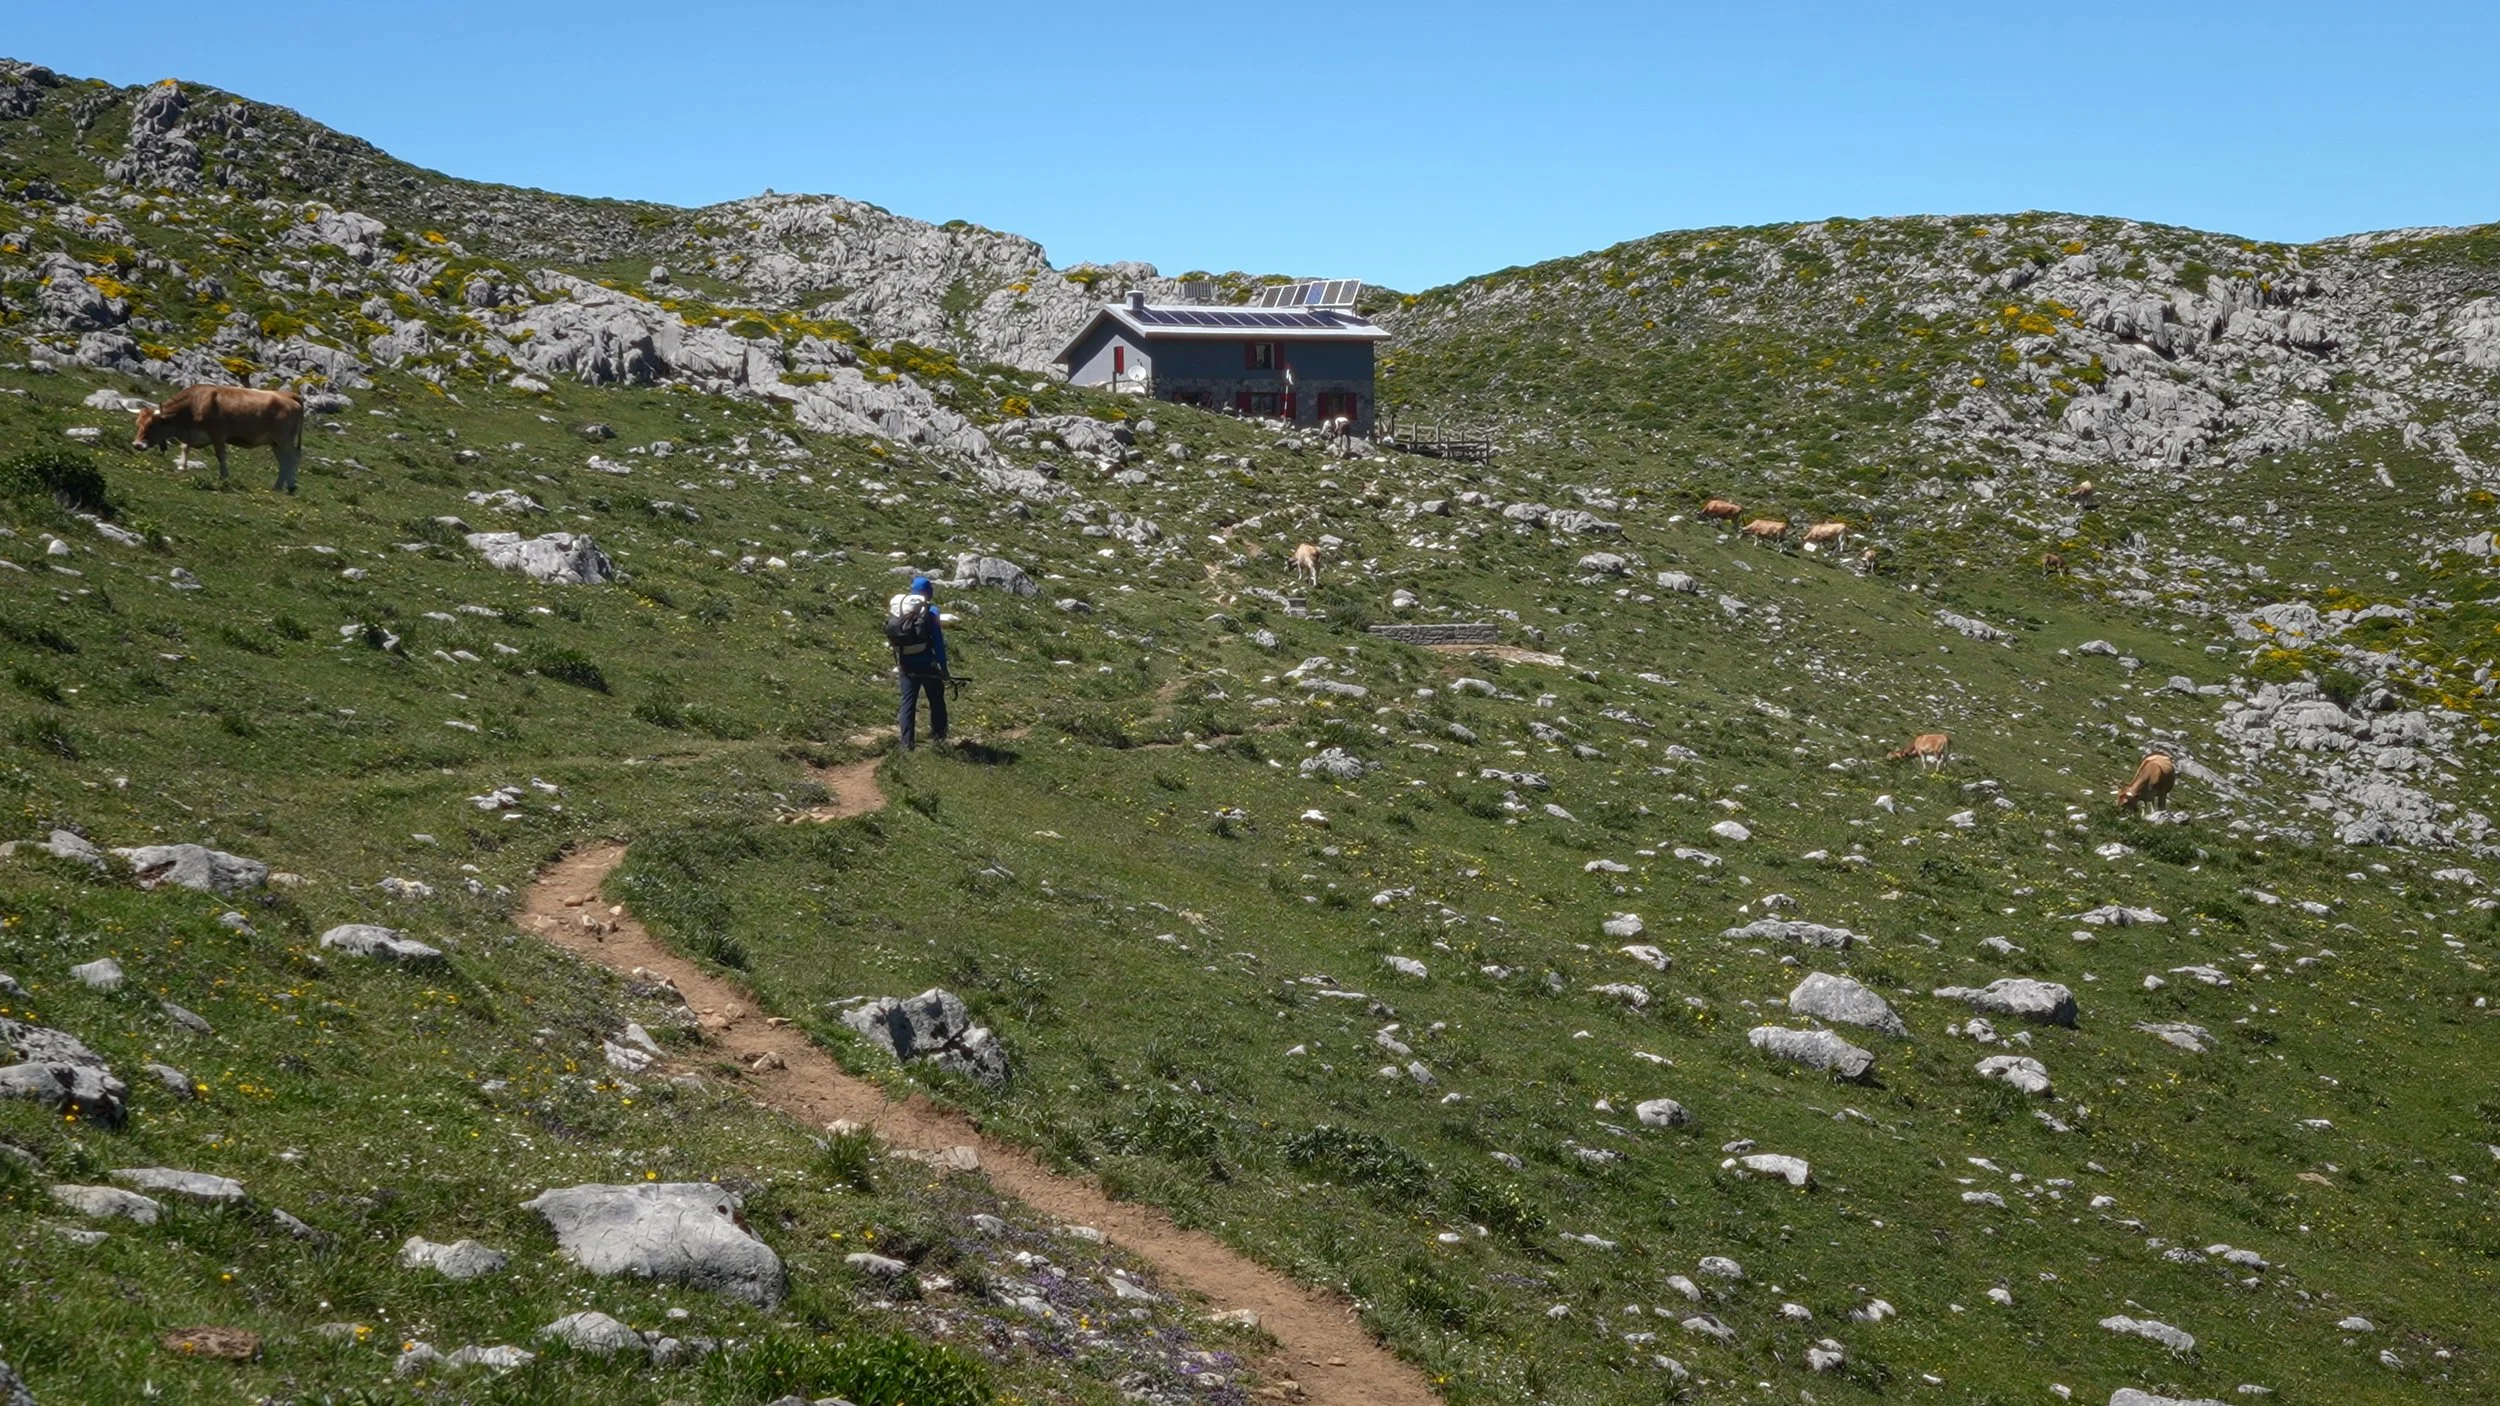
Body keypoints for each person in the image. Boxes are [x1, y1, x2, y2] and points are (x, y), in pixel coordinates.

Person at [887, 575, 949, 750]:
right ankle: (939, 739)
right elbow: (938, 642)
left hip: (905, 663)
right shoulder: (931, 611)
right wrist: (943, 667)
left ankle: (906, 744)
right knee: (936, 699)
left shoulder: (900, 608)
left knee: (908, 702)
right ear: (929, 592)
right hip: (927, 663)